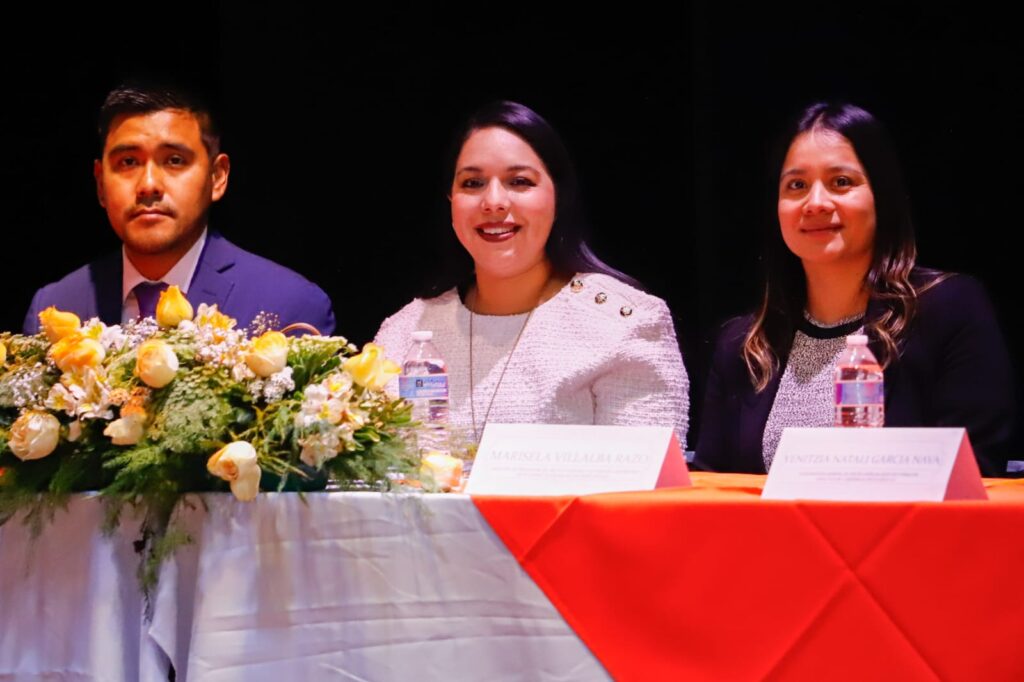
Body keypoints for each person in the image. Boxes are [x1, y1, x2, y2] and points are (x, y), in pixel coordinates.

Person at [695, 102, 1014, 476]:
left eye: (841, 182)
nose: (815, 203)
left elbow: (975, 475)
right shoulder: (744, 345)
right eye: (796, 185)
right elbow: (711, 485)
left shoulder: (948, 310)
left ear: (882, 196)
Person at [374, 101, 689, 443]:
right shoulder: (405, 331)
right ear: (451, 199)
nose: (493, 201)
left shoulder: (623, 322)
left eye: (519, 181)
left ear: (558, 197)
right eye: (472, 183)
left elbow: (642, 485)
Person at [23, 82, 335, 335]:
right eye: (128, 162)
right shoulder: (55, 307)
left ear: (217, 177)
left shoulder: (287, 306)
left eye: (174, 160)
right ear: (101, 183)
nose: (148, 184)